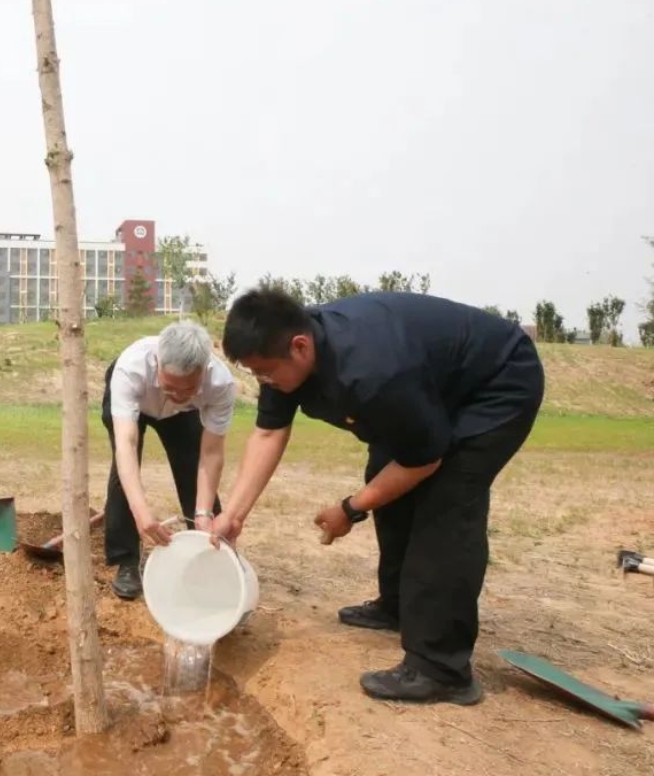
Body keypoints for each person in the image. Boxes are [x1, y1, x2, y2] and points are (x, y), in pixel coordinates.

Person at [209, 287, 544, 706]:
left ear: (300, 347)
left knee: (445, 507)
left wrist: (350, 508)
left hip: (494, 383)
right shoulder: (283, 350)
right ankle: (398, 605)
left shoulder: (372, 370)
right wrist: (234, 516)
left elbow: (423, 461)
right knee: (383, 477)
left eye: (265, 373)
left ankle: (442, 669)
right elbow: (269, 431)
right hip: (424, 390)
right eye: (255, 374)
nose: (264, 382)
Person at [101, 321, 236, 599]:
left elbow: (211, 454)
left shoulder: (220, 384)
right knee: (124, 473)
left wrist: (203, 512)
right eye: (170, 386)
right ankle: (126, 560)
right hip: (134, 406)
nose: (176, 395)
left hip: (182, 416)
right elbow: (126, 444)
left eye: (188, 389)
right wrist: (142, 515)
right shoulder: (131, 368)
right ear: (158, 362)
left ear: (203, 371)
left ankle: (208, 553)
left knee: (191, 465)